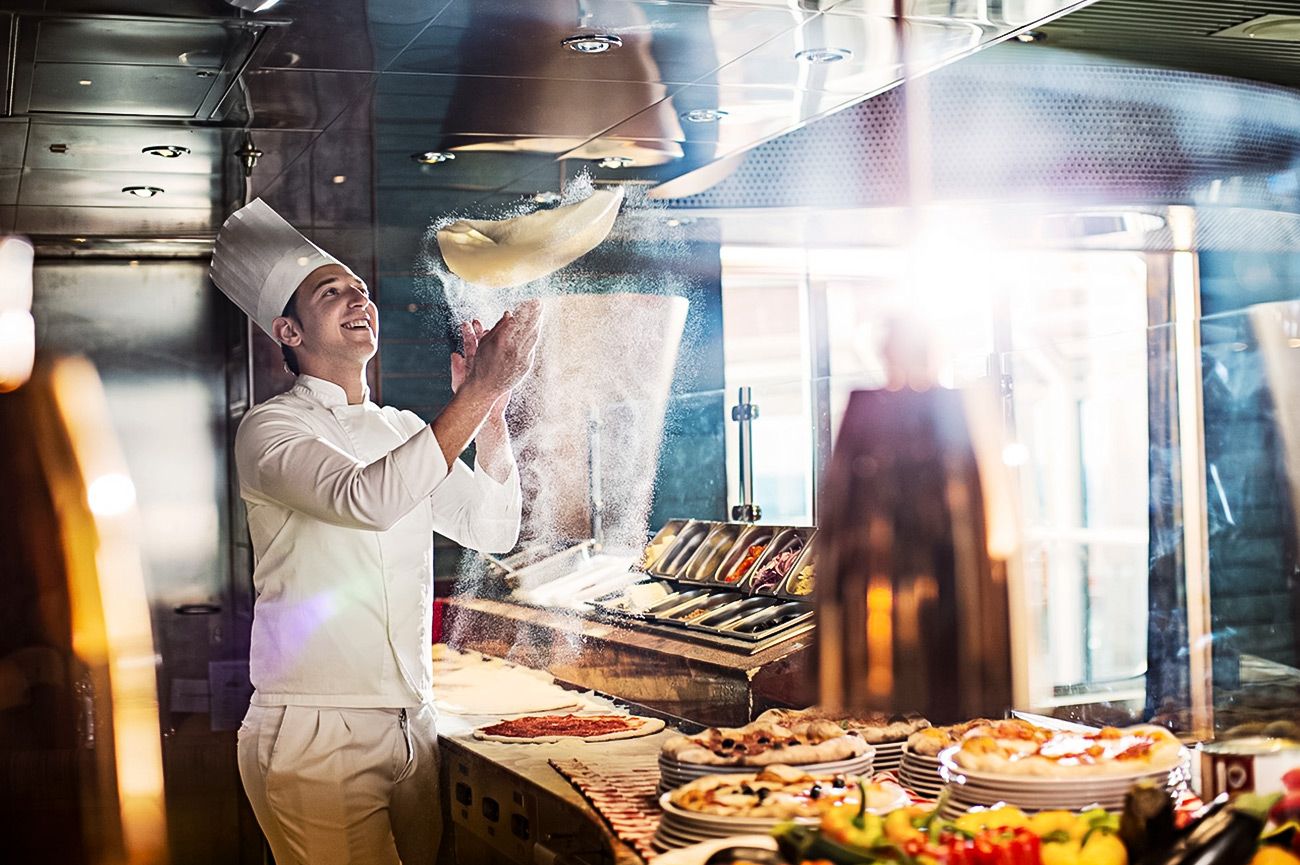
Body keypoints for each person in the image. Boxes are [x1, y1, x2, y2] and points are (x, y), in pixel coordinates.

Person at [208, 195, 615, 865]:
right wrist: (475, 392)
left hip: (411, 721)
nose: (356, 299)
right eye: (330, 292)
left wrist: (491, 419)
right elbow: (365, 497)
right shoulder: (271, 428)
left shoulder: (401, 427)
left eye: (359, 289)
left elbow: (492, 528)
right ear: (288, 331)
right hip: (316, 730)